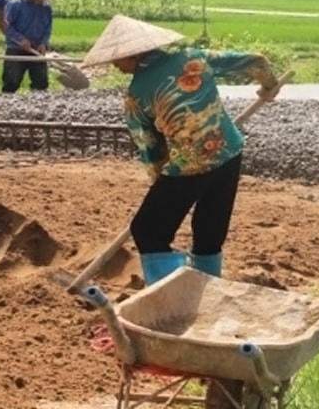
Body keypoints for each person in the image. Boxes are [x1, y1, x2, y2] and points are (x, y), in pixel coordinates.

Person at [81, 15, 279, 286]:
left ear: (136, 55)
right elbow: (256, 62)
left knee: (148, 231)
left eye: (118, 58)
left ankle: (171, 292)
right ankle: (209, 287)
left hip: (189, 166)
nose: (115, 65)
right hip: (230, 152)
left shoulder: (136, 95)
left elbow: (151, 150)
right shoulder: (193, 58)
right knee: (209, 232)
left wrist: (160, 184)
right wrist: (269, 87)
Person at [2, 0, 54, 93]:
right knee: (12, 81)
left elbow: (48, 28)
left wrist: (43, 42)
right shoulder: (16, 5)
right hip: (16, 48)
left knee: (41, 82)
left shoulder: (47, 9)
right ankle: (7, 103)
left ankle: (36, 103)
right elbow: (6, 26)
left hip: (37, 49)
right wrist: (20, 39)